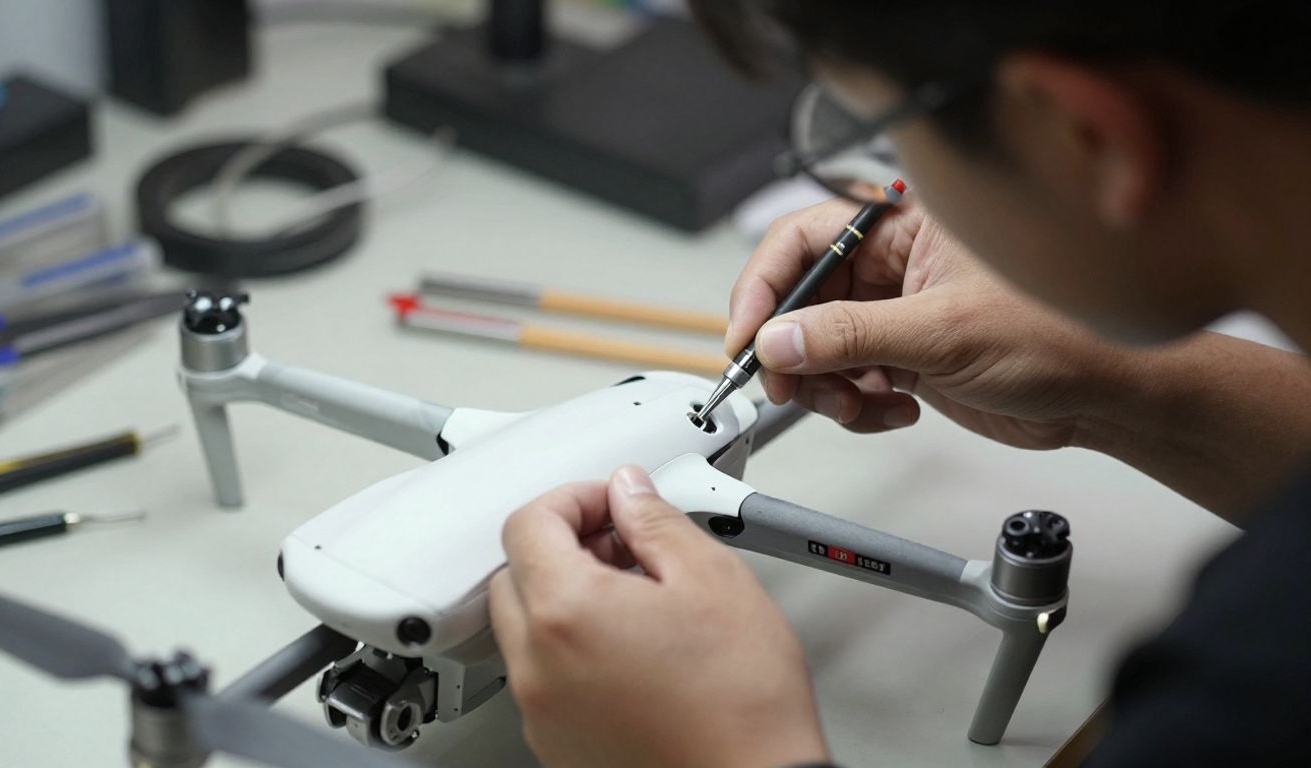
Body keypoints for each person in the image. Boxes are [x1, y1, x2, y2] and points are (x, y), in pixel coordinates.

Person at [486, 2, 1311, 765]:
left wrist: (726, 750)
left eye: (878, 132)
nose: (877, 187)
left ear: (1081, 136)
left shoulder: (1246, 686)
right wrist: (1110, 386)